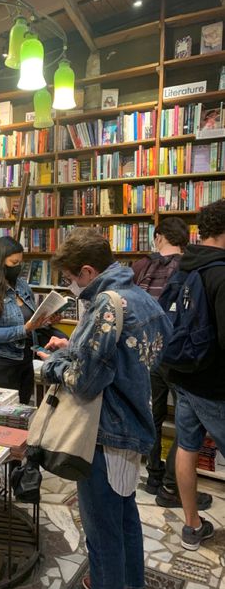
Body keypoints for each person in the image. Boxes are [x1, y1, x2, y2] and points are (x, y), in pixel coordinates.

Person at [38, 228, 172, 589]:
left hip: (103, 430)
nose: (70, 287)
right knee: (125, 510)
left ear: (86, 271)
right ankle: (130, 587)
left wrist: (52, 366)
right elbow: (137, 355)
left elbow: (83, 381)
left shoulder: (105, 305)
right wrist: (77, 345)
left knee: (101, 533)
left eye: (69, 280)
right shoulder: (140, 297)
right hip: (133, 423)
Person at [132, 218, 212, 511]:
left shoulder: (140, 267)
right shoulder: (193, 267)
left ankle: (153, 475)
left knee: (151, 415)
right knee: (188, 423)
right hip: (181, 357)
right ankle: (171, 484)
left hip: (146, 353)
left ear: (158, 237)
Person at [0, 236, 52, 495]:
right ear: (0, 263)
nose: (18, 267)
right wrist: (25, 328)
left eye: (20, 262)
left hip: (23, 360)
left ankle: (16, 472)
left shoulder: (22, 286)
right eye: (13, 262)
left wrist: (43, 324)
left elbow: (31, 320)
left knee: (19, 421)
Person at [167, 199, 225, 550]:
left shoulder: (184, 266)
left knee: (186, 446)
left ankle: (192, 526)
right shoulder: (222, 272)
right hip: (215, 384)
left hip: (181, 374)